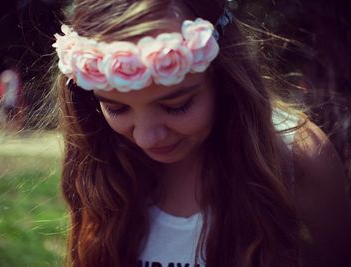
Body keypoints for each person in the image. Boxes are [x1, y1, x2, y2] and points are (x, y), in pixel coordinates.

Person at [51, 0, 351, 266]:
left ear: (224, 77)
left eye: (176, 106)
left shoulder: (296, 159)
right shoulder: (106, 163)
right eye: (117, 109)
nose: (146, 137)